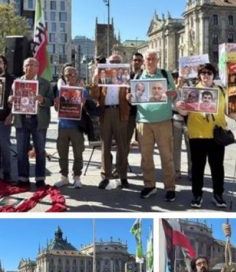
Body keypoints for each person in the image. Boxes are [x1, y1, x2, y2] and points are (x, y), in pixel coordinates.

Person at [175, 63, 236, 209]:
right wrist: (179, 107)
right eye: (203, 73)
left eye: (209, 73)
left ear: (214, 75)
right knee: (197, 168)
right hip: (197, 134)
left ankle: (218, 195)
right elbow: (185, 113)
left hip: (216, 135)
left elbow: (227, 110)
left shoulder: (221, 91)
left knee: (217, 167)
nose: (206, 75)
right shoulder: (192, 91)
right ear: (199, 75)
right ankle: (197, 195)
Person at [126, 50, 178, 201]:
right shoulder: (137, 76)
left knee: (167, 157)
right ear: (144, 61)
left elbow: (175, 92)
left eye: (153, 58)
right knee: (146, 157)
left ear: (158, 60)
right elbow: (131, 97)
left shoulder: (165, 74)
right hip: (143, 122)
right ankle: (149, 186)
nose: (150, 61)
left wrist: (171, 93)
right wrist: (129, 97)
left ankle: (170, 187)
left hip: (163, 121)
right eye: (148, 59)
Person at [90, 54, 132, 190]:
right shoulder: (103, 76)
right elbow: (95, 95)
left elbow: (130, 95)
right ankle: (106, 176)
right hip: (105, 112)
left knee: (122, 146)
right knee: (105, 145)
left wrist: (130, 94)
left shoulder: (126, 76)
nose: (114, 64)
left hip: (121, 111)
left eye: (117, 62)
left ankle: (122, 175)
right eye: (112, 61)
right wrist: (95, 80)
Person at [11, 57, 53, 189]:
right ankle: (23, 178)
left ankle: (40, 178)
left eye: (33, 65)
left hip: (38, 121)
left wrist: (42, 100)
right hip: (22, 120)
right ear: (23, 68)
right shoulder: (16, 83)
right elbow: (11, 99)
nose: (30, 67)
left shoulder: (45, 84)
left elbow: (51, 101)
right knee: (21, 150)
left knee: (40, 151)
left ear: (37, 68)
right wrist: (10, 99)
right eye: (27, 65)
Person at [53, 64, 89, 188]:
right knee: (62, 152)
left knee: (78, 153)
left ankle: (77, 177)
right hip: (63, 125)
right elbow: (57, 108)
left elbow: (89, 109)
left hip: (77, 126)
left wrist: (84, 104)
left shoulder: (83, 90)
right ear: (64, 76)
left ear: (76, 75)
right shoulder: (59, 90)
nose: (70, 76)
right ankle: (64, 177)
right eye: (67, 74)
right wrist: (56, 104)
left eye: (72, 74)